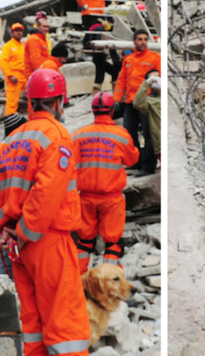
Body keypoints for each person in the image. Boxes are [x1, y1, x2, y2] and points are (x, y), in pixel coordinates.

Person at [0, 69, 90, 356]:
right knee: (65, 326)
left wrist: (6, 229)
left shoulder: (11, 141)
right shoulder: (56, 135)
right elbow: (47, 192)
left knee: (32, 325)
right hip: (47, 241)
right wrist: (25, 233)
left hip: (18, 249)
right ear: (59, 103)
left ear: (29, 102)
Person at [73, 92, 139, 274]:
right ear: (112, 111)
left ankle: (79, 282)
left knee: (84, 241)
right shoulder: (121, 135)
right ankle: (108, 284)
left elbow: (70, 165)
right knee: (112, 243)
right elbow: (132, 159)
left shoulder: (79, 136)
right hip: (111, 199)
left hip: (85, 198)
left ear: (93, 111)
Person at [0, 113, 27, 278]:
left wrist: (1, 224)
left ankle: (8, 290)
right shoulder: (24, 150)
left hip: (3, 219)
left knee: (8, 259)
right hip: (23, 217)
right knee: (26, 260)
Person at [113, 29, 161, 177]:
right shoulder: (128, 60)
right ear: (134, 41)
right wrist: (116, 99)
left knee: (148, 134)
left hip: (146, 102)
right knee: (128, 133)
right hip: (130, 102)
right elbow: (122, 80)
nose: (143, 42)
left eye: (145, 39)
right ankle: (135, 162)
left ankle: (148, 166)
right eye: (140, 39)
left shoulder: (154, 58)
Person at [132, 70, 161, 167]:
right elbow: (137, 103)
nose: (156, 80)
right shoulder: (149, 102)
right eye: (153, 78)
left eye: (158, 77)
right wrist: (146, 84)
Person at [85, 22, 122, 94]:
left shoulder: (93, 28)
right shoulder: (100, 29)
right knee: (103, 76)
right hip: (99, 57)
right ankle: (115, 95)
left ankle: (96, 97)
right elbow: (102, 43)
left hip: (97, 57)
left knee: (101, 77)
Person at [0, 23, 26, 116]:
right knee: (12, 102)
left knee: (33, 95)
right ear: (11, 33)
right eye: (16, 31)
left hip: (25, 75)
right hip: (14, 77)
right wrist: (10, 75)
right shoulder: (8, 46)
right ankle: (12, 124)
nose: (19, 33)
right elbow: (2, 62)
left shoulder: (22, 45)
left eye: (20, 31)